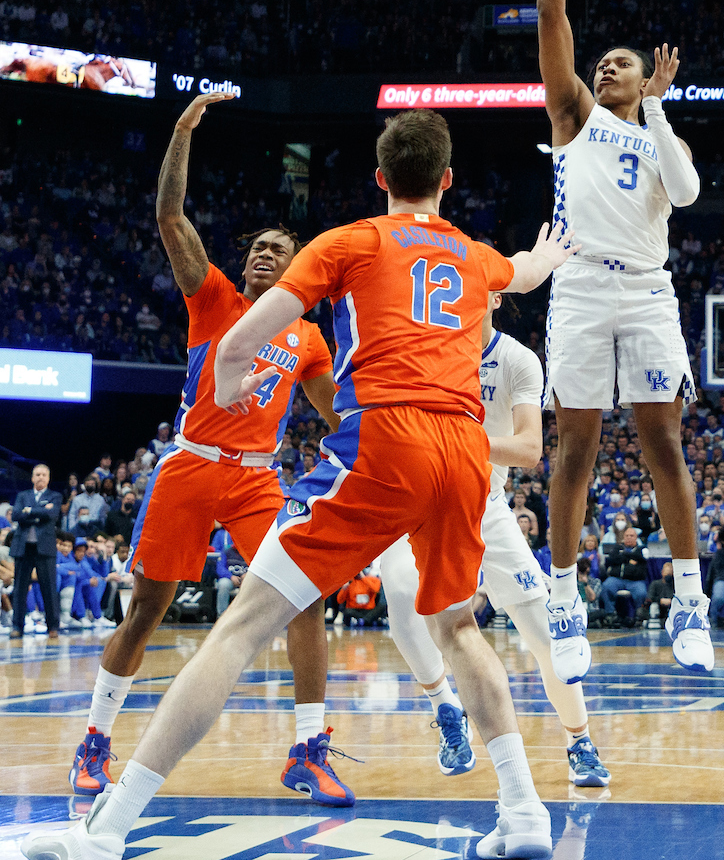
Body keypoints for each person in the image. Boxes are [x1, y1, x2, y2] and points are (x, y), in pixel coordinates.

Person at [24, 109, 575, 860]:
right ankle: (525, 816)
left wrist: (226, 373)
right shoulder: (476, 258)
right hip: (464, 452)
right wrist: (547, 255)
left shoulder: (347, 241)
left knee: (243, 623)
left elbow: (250, 334)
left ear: (381, 179)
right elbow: (525, 271)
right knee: (460, 628)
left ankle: (108, 830)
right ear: (446, 181)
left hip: (387, 438)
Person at [64, 91, 346, 808]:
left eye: (279, 251)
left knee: (303, 599)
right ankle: (93, 741)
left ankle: (308, 751)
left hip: (257, 481)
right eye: (257, 246)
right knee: (147, 610)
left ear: (299, 276)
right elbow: (170, 217)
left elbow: (336, 412)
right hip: (191, 466)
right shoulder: (215, 299)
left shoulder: (310, 337)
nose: (262, 253)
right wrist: (183, 131)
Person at [518, 0, 708, 682]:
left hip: (649, 287)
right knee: (576, 449)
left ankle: (689, 600)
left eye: (621, 64)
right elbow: (554, 14)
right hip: (584, 284)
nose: (606, 67)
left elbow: (691, 192)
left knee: (663, 441)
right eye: (603, 62)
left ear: (648, 78)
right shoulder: (574, 119)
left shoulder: (662, 136)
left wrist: (661, 108)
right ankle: (565, 599)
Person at [379, 290, 610, 788]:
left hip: (486, 506)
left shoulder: (516, 360)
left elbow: (528, 449)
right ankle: (446, 709)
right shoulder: (426, 349)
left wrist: (458, 441)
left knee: (546, 634)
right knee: (398, 590)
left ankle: (579, 740)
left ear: (496, 296)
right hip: (419, 504)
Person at [9, 465, 60, 640]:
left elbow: (52, 514)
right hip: (23, 548)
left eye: (44, 475)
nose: (40, 477)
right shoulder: (22, 495)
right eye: (37, 474)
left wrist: (29, 511)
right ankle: (17, 626)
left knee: (49, 589)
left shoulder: (55, 496)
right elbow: (15, 515)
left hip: (44, 549)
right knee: (20, 589)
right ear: (32, 478)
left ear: (48, 478)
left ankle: (52, 626)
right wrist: (40, 512)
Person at [599, 527, 648, 624]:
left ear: (636, 537)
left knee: (641, 592)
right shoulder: (617, 548)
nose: (629, 538)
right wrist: (629, 559)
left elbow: (642, 559)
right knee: (606, 587)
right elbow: (613, 559)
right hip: (617, 579)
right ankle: (611, 614)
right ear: (623, 537)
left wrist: (623, 556)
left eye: (632, 536)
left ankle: (639, 615)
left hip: (635, 581)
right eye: (627, 536)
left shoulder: (642, 549)